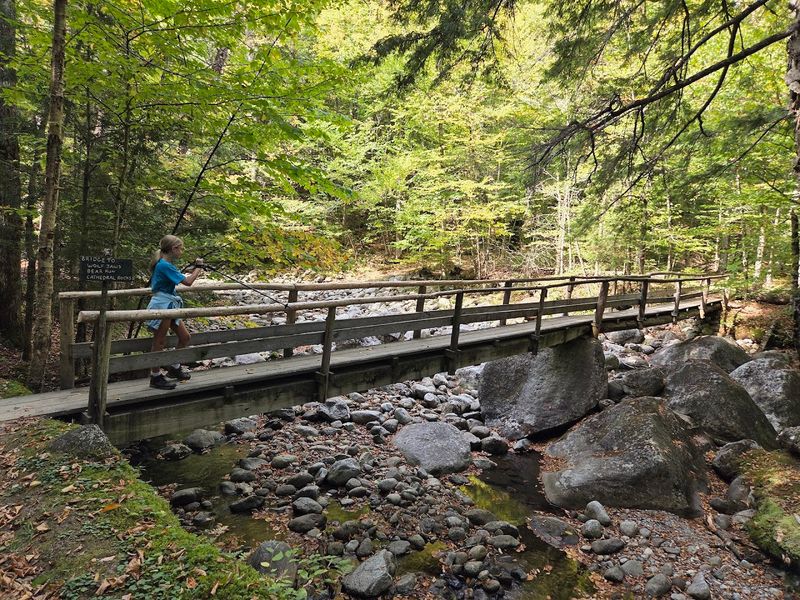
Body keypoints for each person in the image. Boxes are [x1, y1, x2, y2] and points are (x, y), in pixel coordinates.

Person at [146, 235, 204, 390]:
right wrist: (198, 268)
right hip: (162, 305)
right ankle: (155, 376)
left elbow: (179, 278)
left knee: (185, 337)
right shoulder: (164, 265)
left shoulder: (166, 264)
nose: (182, 251)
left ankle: (174, 367)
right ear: (173, 249)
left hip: (169, 304)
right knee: (159, 341)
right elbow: (188, 282)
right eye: (181, 248)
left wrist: (193, 269)